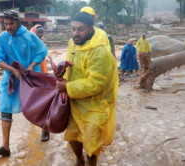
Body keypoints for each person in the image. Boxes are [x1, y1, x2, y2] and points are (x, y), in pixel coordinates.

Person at [56, 12, 118, 166]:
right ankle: (78, 160)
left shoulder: (99, 51)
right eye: (73, 29)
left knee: (92, 144)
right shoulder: (73, 42)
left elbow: (96, 83)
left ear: (91, 28)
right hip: (75, 100)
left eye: (80, 29)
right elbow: (71, 63)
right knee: (73, 137)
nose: (75, 33)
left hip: (95, 104)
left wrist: (67, 86)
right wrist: (62, 70)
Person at [0, 10, 47, 157]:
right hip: (11, 78)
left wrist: (31, 65)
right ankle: (5, 147)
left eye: (11, 23)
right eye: (6, 24)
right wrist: (12, 70)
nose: (8, 27)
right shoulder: (2, 38)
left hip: (30, 76)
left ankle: (45, 126)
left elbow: (42, 51)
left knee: (36, 104)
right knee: (5, 107)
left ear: (18, 22)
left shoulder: (29, 36)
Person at [30, 24, 49, 141]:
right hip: (32, 74)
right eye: (38, 32)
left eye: (42, 32)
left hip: (42, 73)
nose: (40, 34)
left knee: (43, 102)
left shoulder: (42, 43)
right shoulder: (29, 42)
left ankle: (45, 129)